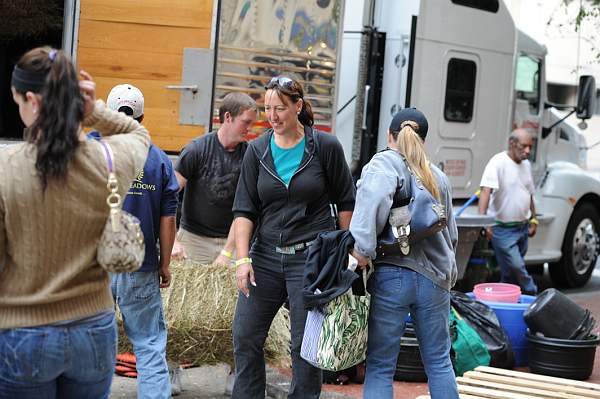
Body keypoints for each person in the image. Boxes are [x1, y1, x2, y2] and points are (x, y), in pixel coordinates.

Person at [0, 47, 150, 398]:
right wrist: (94, 111)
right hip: (93, 333)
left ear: (32, 101)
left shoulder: (6, 170)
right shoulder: (109, 160)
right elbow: (139, 135)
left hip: (23, 333)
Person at [232, 76, 356, 399]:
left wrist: (345, 254)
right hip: (265, 257)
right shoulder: (257, 151)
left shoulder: (325, 147)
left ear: (298, 107)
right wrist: (242, 259)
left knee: (305, 346)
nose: (272, 116)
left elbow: (346, 201)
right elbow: (244, 210)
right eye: (267, 109)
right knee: (245, 335)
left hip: (310, 258)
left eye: (280, 109)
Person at [349, 108, 459, 399]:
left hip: (391, 276)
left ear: (390, 135)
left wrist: (362, 251)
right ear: (423, 139)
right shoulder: (437, 176)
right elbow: (452, 235)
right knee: (438, 361)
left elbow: (367, 216)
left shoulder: (383, 165)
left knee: (381, 366)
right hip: (435, 278)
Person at [100, 84, 178, 399]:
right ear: (142, 118)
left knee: (91, 342)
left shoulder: (89, 150)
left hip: (94, 266)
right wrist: (165, 264)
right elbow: (168, 219)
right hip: (140, 266)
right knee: (148, 343)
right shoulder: (157, 159)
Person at [173, 92, 257, 265]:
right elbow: (167, 195)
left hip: (232, 238)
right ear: (228, 117)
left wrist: (227, 251)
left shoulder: (250, 156)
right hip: (193, 239)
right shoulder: (196, 150)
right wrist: (172, 242)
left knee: (234, 292)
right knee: (187, 292)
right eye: (246, 122)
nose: (250, 129)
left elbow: (246, 208)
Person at [478, 128, 538, 295]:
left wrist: (534, 219)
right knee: (517, 266)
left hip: (522, 228)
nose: (528, 151)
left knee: (509, 272)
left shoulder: (526, 165)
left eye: (530, 147)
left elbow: (530, 193)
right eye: (524, 146)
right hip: (502, 229)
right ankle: (532, 292)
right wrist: (483, 223)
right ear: (512, 144)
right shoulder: (497, 162)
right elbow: (485, 192)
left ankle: (507, 300)